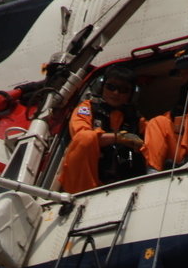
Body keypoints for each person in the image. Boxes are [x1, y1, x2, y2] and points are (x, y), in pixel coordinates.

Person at [56, 65, 149, 193]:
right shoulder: (87, 108)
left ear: (131, 94)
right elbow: (81, 136)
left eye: (123, 90)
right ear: (101, 87)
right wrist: (118, 138)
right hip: (85, 185)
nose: (116, 93)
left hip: (124, 184)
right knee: (85, 137)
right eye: (111, 87)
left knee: (159, 124)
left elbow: (151, 137)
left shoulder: (136, 119)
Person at [142, 45, 188, 171]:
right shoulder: (187, 93)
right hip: (181, 156)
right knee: (157, 122)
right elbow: (172, 119)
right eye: (182, 72)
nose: (185, 76)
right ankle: (153, 171)